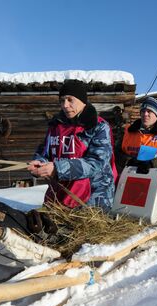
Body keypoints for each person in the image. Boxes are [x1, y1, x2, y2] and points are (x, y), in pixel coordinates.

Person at [27, 79, 117, 211]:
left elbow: (96, 163)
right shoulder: (55, 126)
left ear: (83, 101)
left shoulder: (98, 126)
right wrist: (40, 163)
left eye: (70, 100)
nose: (65, 105)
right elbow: (44, 151)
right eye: (62, 100)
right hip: (60, 196)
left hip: (93, 199)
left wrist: (58, 168)